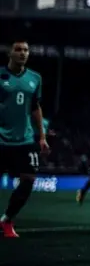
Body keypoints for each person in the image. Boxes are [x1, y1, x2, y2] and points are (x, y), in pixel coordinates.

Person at [0, 41, 50, 237]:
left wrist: (42, 137)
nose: (22, 53)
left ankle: (7, 219)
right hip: (1, 139)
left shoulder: (34, 78)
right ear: (9, 53)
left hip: (25, 140)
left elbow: (35, 108)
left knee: (28, 179)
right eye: (18, 49)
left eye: (26, 50)